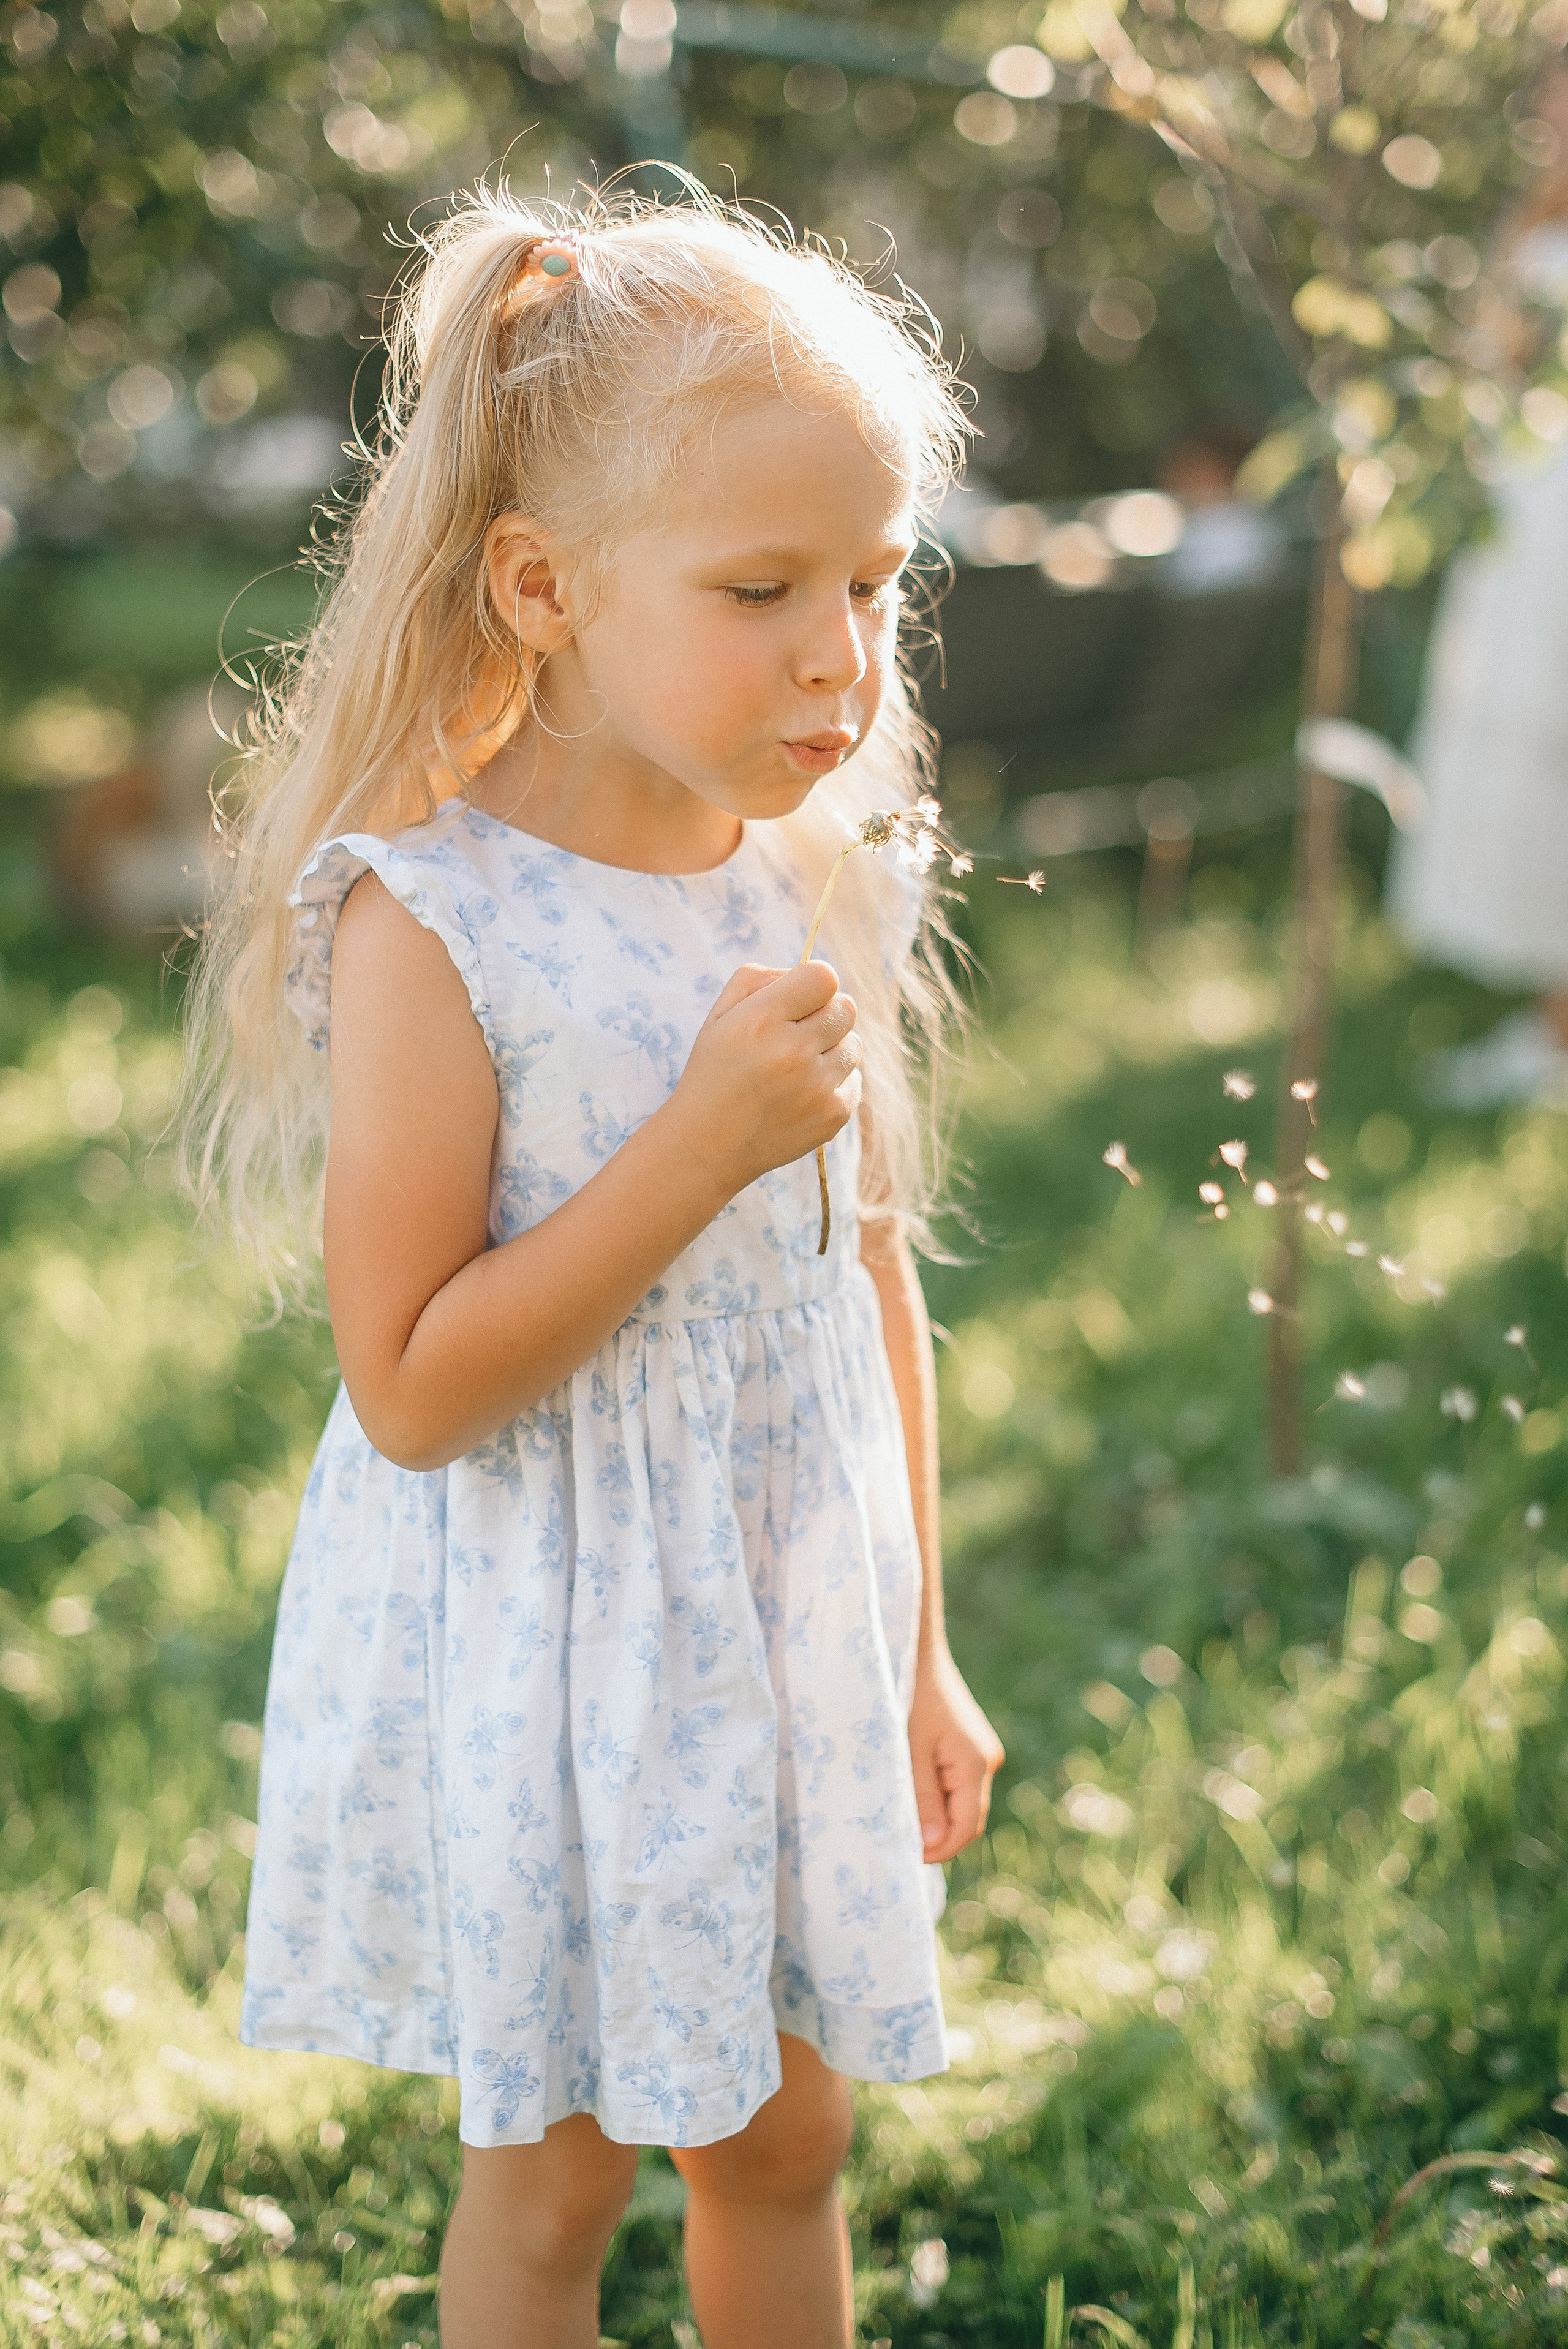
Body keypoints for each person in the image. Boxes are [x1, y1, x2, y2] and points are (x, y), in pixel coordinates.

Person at [178, 183, 1003, 2349]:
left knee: (785, 2136)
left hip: (783, 1616)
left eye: (875, 588)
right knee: (555, 2171)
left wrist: (919, 1643)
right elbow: (418, 1384)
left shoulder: (808, 876)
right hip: (559, 1656)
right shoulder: (433, 924)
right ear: (543, 587)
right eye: (765, 590)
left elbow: (864, 1278)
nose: (842, 654)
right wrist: (688, 1147)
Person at [1387, 58, 1568, 1107]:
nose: (1542, 103)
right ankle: (1553, 1007)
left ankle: (1555, 1031)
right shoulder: (1538, 213)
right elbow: (1485, 358)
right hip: (1528, 506)